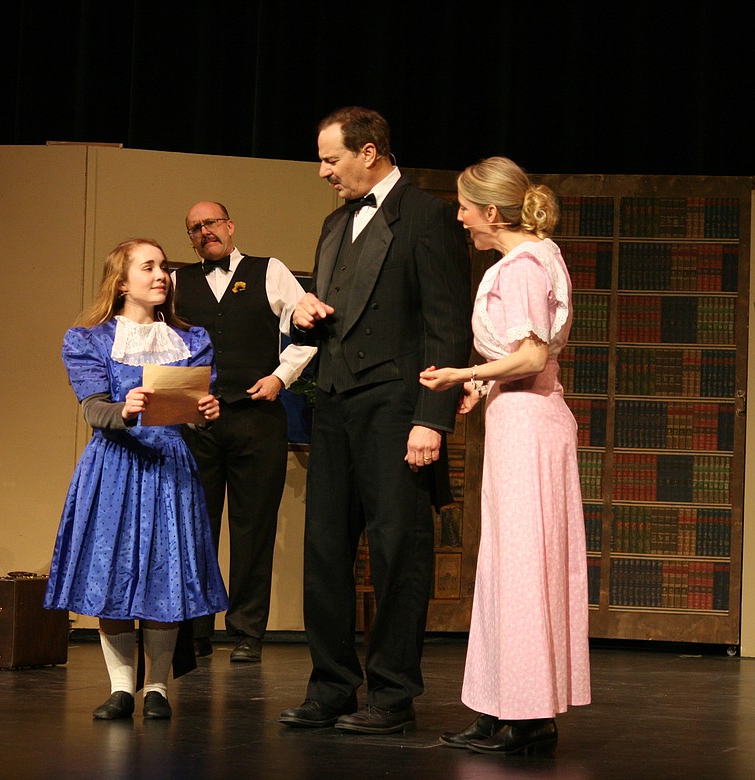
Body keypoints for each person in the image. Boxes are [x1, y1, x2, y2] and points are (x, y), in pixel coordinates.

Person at [280, 107, 473, 734]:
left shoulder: (426, 216)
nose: (322, 173)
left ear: (368, 152)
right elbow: (342, 306)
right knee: (325, 550)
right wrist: (306, 308)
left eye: (331, 159)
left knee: (398, 552)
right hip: (334, 402)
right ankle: (331, 685)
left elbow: (446, 323)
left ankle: (391, 694)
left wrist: (433, 420)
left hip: (396, 407)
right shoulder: (336, 222)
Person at [419, 156, 591, 755]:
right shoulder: (536, 258)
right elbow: (520, 362)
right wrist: (483, 383)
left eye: (466, 206)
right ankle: (507, 705)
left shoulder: (520, 267)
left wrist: (464, 371)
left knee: (521, 566)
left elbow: (531, 357)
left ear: (492, 212)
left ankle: (524, 713)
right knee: (511, 565)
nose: (461, 217)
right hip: (519, 415)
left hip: (528, 423)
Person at [44, 238, 229, 720]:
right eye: (148, 267)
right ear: (122, 282)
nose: (161, 274)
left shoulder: (191, 340)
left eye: (164, 267)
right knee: (115, 571)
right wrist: (123, 409)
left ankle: (158, 687)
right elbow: (92, 407)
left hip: (169, 463)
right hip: (116, 463)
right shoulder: (89, 340)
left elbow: (191, 411)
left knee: (165, 574)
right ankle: (121, 686)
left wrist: (206, 412)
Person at [173, 201, 316, 663]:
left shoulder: (267, 270)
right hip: (198, 423)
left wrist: (281, 377)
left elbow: (309, 326)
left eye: (211, 223)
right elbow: (163, 350)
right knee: (197, 526)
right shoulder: (177, 283)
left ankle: (247, 632)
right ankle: (195, 630)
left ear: (230, 226)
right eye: (195, 228)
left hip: (257, 417)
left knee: (254, 526)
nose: (204, 232)